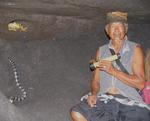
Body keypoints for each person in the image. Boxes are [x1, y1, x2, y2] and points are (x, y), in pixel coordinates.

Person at [70, 11, 150, 121]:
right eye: (113, 27)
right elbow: (96, 80)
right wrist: (94, 94)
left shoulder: (135, 49)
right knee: (77, 113)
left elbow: (141, 84)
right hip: (105, 100)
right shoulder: (101, 51)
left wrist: (113, 71)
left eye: (120, 26)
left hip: (130, 103)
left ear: (125, 29)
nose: (116, 30)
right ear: (107, 31)